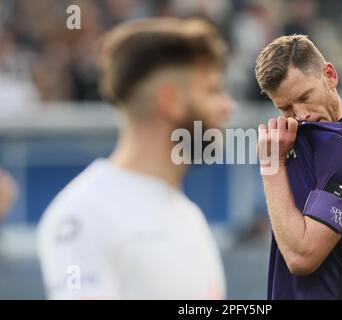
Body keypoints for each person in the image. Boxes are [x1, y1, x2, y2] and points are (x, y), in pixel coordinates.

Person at [37, 18, 232, 299]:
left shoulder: (190, 216)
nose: (226, 106)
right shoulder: (83, 216)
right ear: (170, 101)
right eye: (212, 90)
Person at [255, 34, 342, 299]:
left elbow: (302, 256)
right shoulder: (293, 137)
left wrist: (271, 164)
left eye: (305, 96)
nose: (301, 114)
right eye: (285, 108)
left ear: (329, 75)